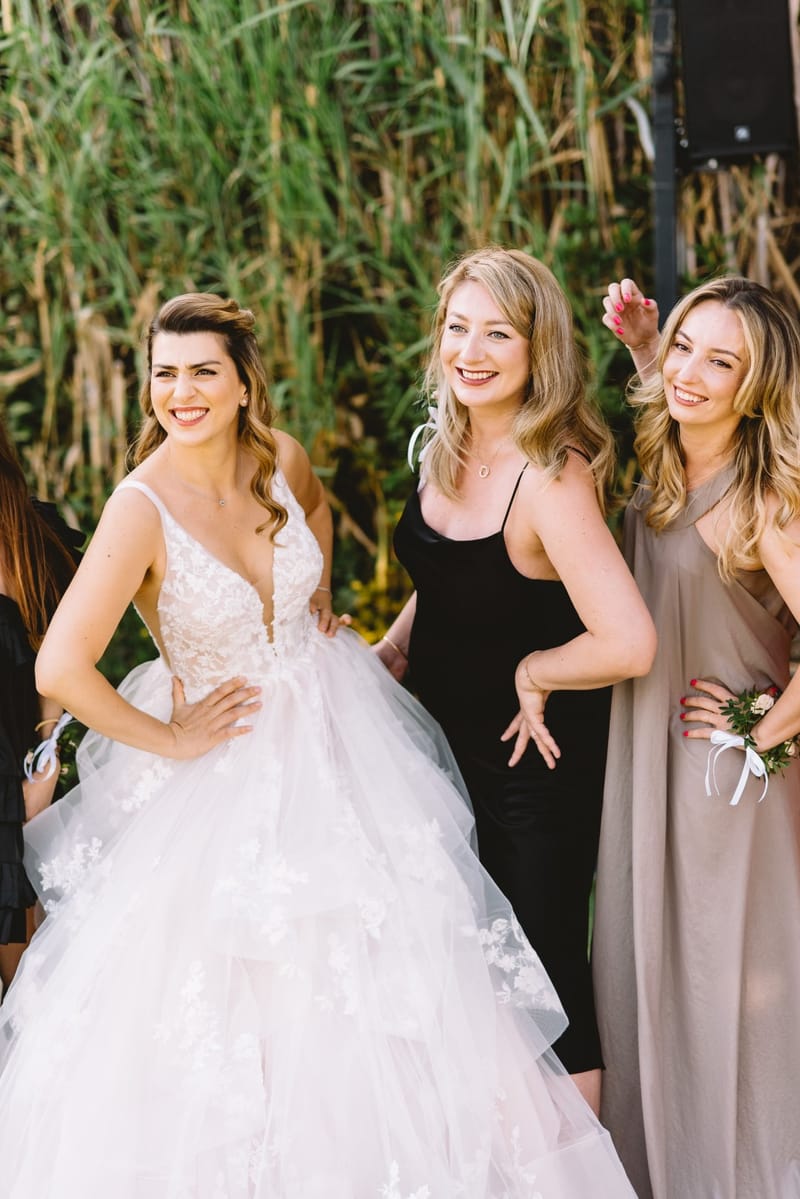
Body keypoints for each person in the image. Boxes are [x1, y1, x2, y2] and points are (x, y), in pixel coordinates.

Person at [0, 291, 639, 1196]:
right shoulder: (140, 509)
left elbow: (314, 516)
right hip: (224, 772)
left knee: (408, 979)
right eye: (164, 376)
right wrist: (172, 739)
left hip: (342, 745)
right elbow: (61, 667)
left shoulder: (280, 459)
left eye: (202, 373)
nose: (182, 393)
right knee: (254, 993)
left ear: (242, 381)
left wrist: (316, 602)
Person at [382, 246, 657, 1114]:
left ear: (539, 349)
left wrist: (537, 669)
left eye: (498, 332)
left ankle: (582, 1174)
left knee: (541, 980)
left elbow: (629, 639)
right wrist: (382, 656)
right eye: (458, 328)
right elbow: (448, 584)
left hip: (529, 766)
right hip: (439, 749)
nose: (471, 349)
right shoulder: (445, 446)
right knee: (460, 974)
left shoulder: (552, 475)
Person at [593, 275, 800, 1198]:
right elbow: (671, 399)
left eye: (724, 361)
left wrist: (760, 731)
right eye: (687, 348)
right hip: (647, 768)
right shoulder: (666, 461)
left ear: (758, 386)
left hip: (724, 791)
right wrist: (651, 346)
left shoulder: (768, 501)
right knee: (647, 987)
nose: (692, 373)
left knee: (724, 996)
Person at [0, 417, 80, 995]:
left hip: (12, 785)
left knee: (28, 990)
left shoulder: (33, 537)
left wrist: (42, 762)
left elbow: (61, 656)